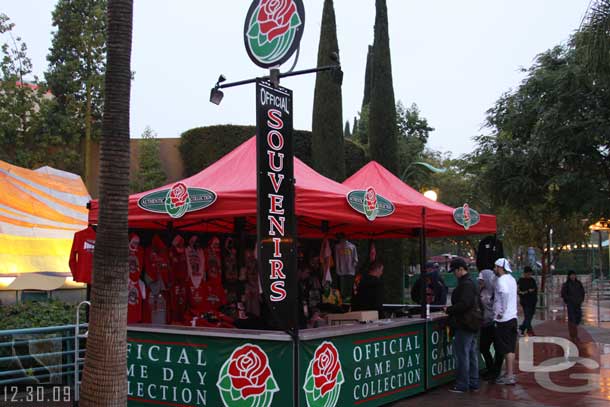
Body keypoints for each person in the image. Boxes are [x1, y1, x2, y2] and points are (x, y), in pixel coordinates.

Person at [446, 258, 481, 393]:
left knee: (462, 354)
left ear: (460, 269)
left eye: (455, 271)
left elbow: (464, 304)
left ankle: (462, 384)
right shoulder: (472, 282)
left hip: (465, 322)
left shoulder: (466, 284)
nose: (454, 274)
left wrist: (449, 310)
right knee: (471, 353)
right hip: (473, 322)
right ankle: (473, 382)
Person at [492, 258, 518, 385]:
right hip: (513, 317)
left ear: (500, 267)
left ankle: (509, 376)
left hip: (504, 319)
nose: (494, 269)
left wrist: (501, 311)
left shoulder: (501, 280)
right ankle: (510, 373)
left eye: (495, 267)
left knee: (505, 348)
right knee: (511, 348)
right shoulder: (512, 279)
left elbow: (505, 294)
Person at [478, 269, 499, 380]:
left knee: (497, 347)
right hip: (485, 323)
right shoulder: (481, 291)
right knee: (483, 347)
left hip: (494, 322)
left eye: (482, 280)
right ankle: (490, 367)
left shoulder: (495, 291)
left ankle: (495, 371)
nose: (480, 282)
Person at [561, 270, 585, 342]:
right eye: (571, 275)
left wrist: (581, 299)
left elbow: (582, 292)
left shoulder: (578, 283)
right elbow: (563, 294)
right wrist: (568, 300)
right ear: (569, 276)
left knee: (579, 317)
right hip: (570, 304)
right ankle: (573, 334)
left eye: (574, 275)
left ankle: (574, 330)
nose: (573, 276)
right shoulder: (566, 284)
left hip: (578, 303)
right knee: (572, 318)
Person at [517, 266, 538, 335]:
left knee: (530, 315)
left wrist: (530, 291)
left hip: (533, 300)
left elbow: (535, 289)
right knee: (527, 315)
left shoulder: (532, 280)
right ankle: (529, 330)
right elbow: (518, 290)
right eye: (528, 273)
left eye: (530, 273)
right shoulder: (520, 280)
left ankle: (522, 327)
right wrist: (523, 292)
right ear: (525, 273)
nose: (529, 275)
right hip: (525, 301)